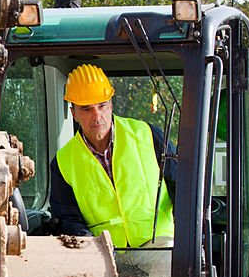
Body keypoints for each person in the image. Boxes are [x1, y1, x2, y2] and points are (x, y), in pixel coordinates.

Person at [49, 64, 175, 249]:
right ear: (73, 113)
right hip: (104, 252)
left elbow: (182, 187)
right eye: (86, 109)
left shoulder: (148, 135)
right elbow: (67, 218)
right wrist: (90, 246)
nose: (97, 115)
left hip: (157, 244)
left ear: (111, 104)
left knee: (168, 269)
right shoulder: (63, 162)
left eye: (102, 106)